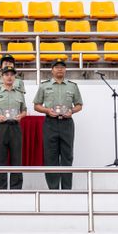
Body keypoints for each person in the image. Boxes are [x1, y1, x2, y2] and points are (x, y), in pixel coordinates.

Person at [33, 58, 83, 190]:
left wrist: (72, 111)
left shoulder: (72, 86)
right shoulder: (44, 86)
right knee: (50, 157)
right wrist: (47, 111)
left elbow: (79, 105)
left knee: (67, 157)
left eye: (62, 67)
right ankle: (53, 189)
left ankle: (67, 189)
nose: (60, 69)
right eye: (57, 67)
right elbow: (36, 105)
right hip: (50, 123)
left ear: (65, 70)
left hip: (67, 123)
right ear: (52, 70)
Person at [0, 66, 27, 189]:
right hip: (1, 127)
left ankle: (16, 189)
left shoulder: (19, 94)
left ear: (15, 77)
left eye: (12, 75)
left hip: (15, 127)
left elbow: (24, 110)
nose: (9, 77)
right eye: (6, 74)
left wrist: (21, 116)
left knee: (17, 159)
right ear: (2, 77)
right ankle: (0, 189)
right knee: (0, 159)